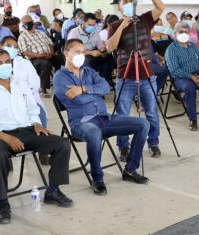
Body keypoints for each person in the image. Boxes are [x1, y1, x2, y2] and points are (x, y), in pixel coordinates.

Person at [0, 48, 74, 223]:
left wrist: (37, 124)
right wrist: (7, 138)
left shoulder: (19, 83)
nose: (5, 65)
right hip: (1, 135)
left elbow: (32, 109)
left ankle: (52, 190)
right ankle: (2, 202)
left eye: (7, 61)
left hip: (28, 131)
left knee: (62, 144)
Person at [54, 39, 149, 195]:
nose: (81, 55)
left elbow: (105, 88)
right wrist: (94, 93)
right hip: (81, 123)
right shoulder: (60, 77)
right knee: (94, 133)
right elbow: (77, 100)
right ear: (66, 53)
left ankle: (130, 171)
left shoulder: (88, 71)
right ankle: (97, 179)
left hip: (104, 118)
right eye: (77, 51)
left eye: (82, 51)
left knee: (143, 124)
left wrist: (84, 89)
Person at [106, 0, 165, 158]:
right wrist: (123, 25)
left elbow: (160, 7)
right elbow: (110, 47)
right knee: (122, 114)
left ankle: (153, 143)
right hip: (125, 77)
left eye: (129, 1)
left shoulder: (145, 19)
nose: (127, 4)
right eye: (123, 2)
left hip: (147, 76)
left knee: (152, 113)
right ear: (119, 7)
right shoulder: (115, 25)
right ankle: (124, 145)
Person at [67, 12, 113, 84]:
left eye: (93, 25)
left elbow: (100, 45)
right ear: (83, 22)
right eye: (89, 25)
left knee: (108, 62)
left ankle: (101, 84)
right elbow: (73, 52)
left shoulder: (95, 31)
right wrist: (91, 53)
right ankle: (90, 86)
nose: (91, 27)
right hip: (79, 58)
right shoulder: (74, 33)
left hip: (93, 57)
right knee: (86, 66)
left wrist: (103, 51)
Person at [18, 15, 55, 98]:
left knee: (61, 59)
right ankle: (43, 88)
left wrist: (51, 53)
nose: (29, 23)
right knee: (45, 63)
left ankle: (63, 82)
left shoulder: (41, 32)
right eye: (26, 23)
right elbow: (25, 52)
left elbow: (50, 44)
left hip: (48, 55)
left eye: (30, 21)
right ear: (23, 25)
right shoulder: (22, 37)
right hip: (35, 58)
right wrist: (40, 55)